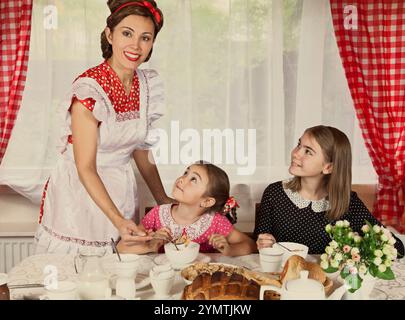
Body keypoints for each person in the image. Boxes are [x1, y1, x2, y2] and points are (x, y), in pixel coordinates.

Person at [34, 0, 173, 254]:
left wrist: (162, 199)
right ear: (110, 35)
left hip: (121, 187)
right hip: (81, 194)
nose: (135, 45)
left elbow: (140, 149)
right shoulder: (89, 90)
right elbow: (85, 167)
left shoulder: (147, 85)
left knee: (119, 274)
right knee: (78, 273)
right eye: (127, 33)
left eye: (145, 37)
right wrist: (117, 220)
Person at [254, 125, 405, 257]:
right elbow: (259, 239)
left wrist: (354, 249)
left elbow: (396, 248)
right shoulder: (274, 193)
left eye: (308, 152)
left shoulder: (348, 203)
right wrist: (264, 243)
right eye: (299, 145)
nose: (296, 153)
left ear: (329, 167)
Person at [117, 161, 257, 256]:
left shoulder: (215, 222)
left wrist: (228, 249)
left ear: (207, 201)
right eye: (185, 173)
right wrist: (149, 246)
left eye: (193, 179)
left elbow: (250, 245)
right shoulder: (156, 214)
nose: (182, 179)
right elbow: (122, 247)